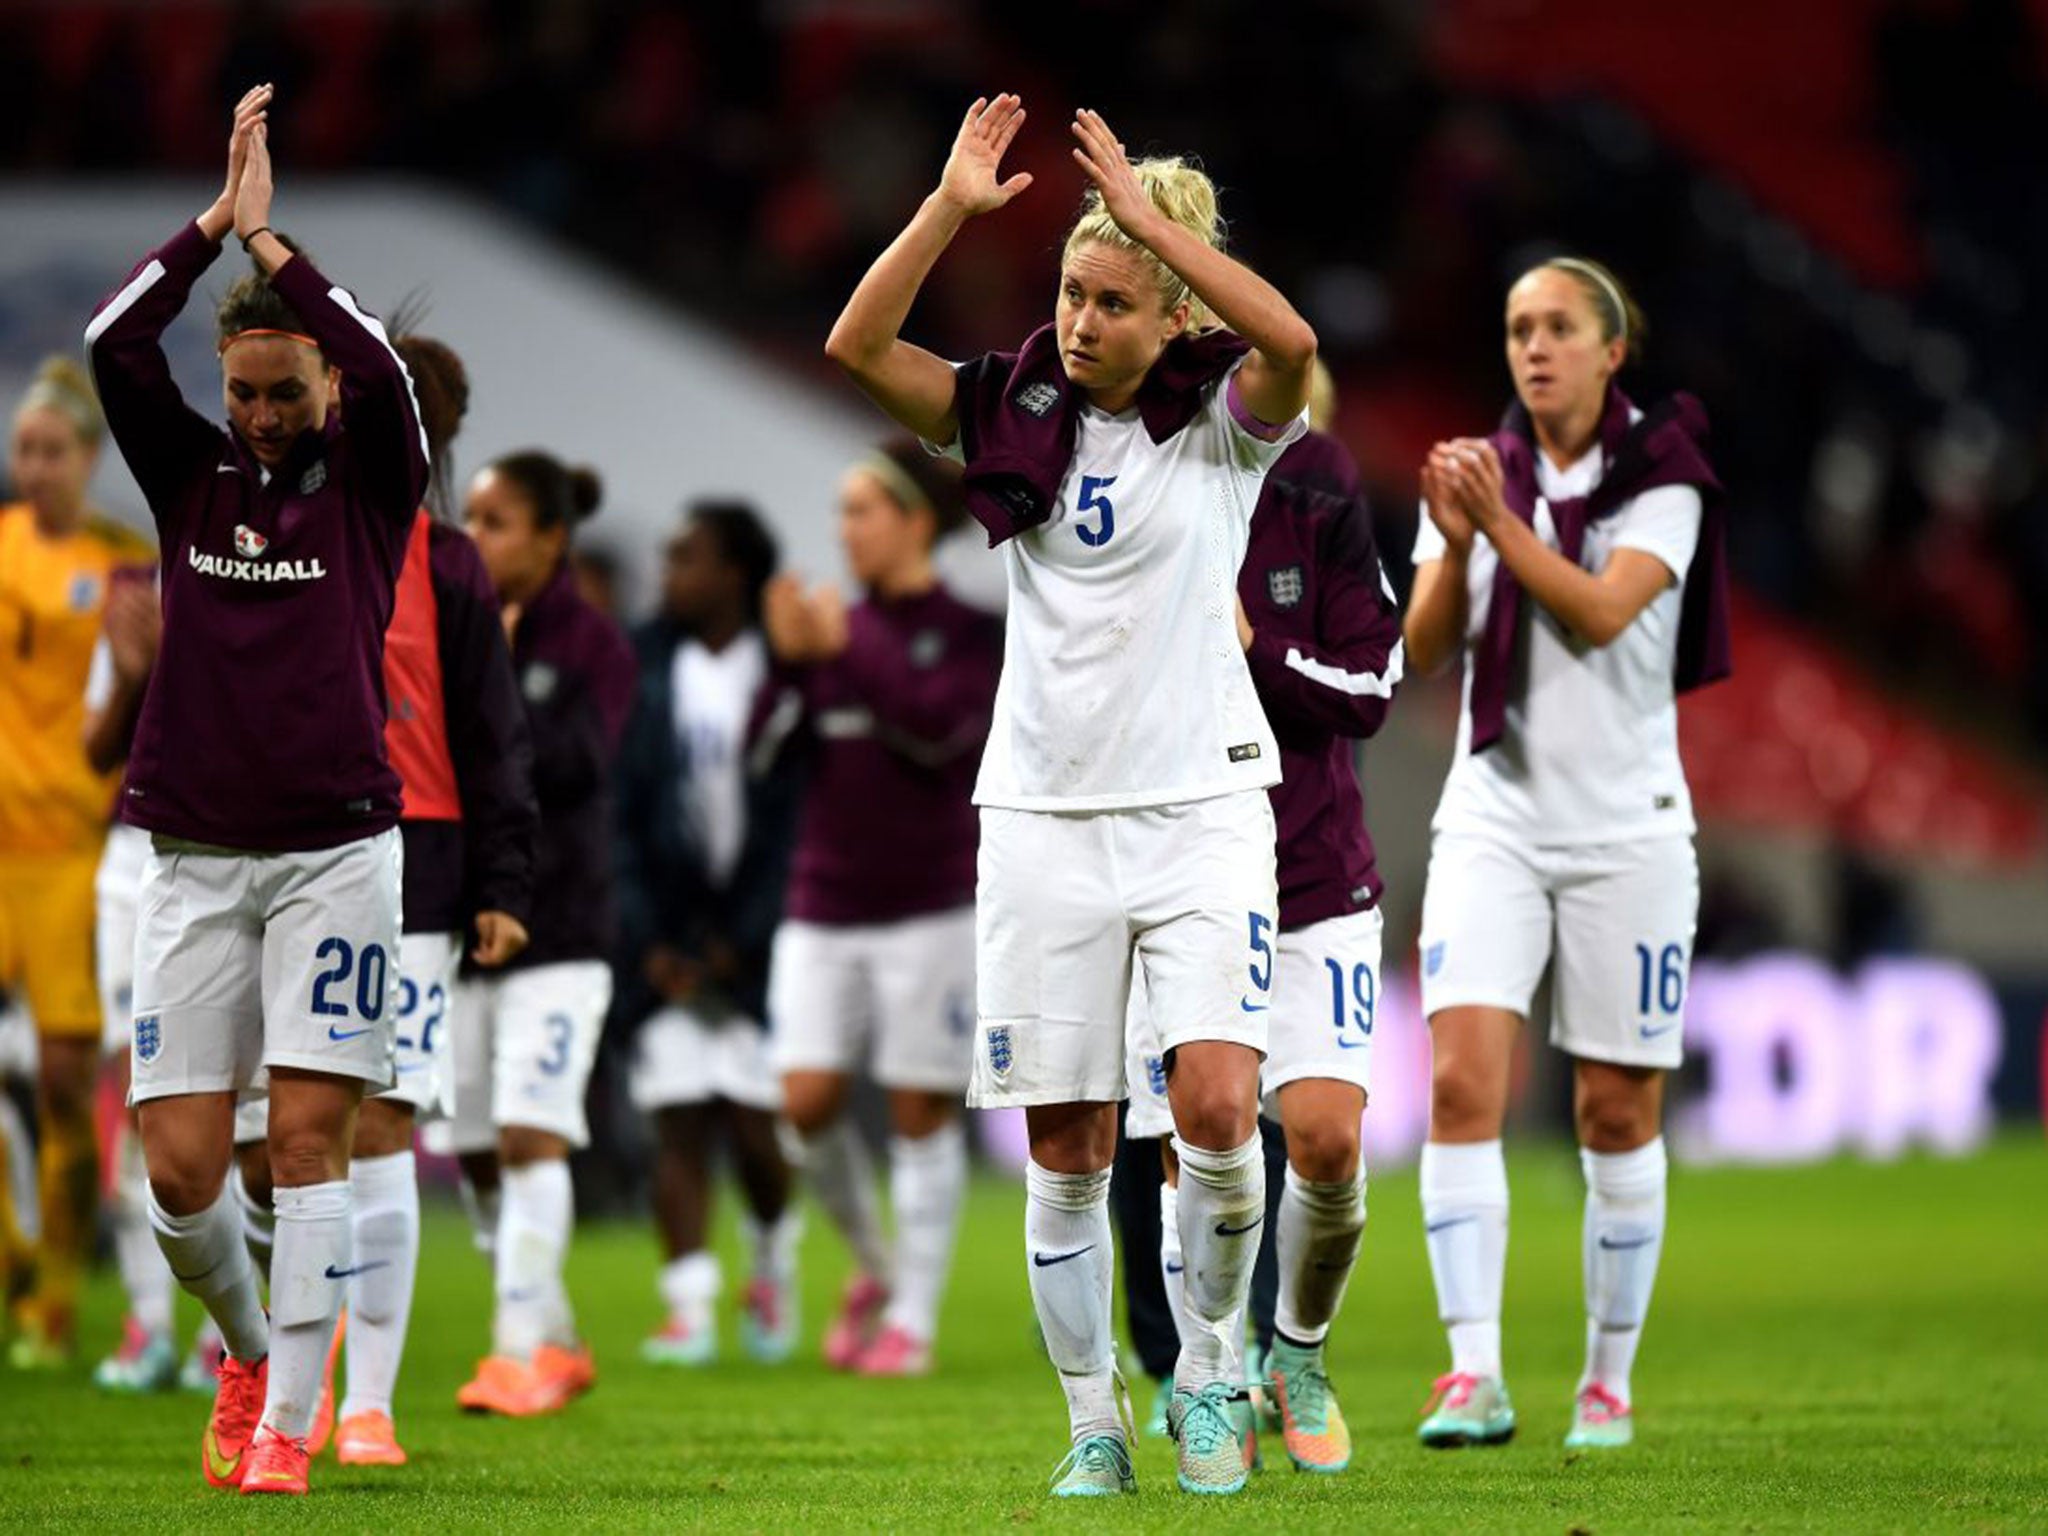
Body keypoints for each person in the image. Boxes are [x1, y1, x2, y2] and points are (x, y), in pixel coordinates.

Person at [825, 97, 1317, 1497]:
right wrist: (946, 211)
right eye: (1071, 293)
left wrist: (1162, 234)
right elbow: (856, 350)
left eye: (1116, 302)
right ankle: (1094, 1416)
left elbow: (1291, 345)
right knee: (1068, 1139)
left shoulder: (1225, 428)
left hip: (1205, 809)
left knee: (1219, 1110)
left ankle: (1211, 1373)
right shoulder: (1005, 409)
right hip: (1041, 817)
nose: (1084, 322)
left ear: (1170, 316)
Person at [84, 84, 431, 1496]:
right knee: (178, 1170)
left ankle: (291, 1424)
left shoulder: (373, 479)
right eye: (247, 392)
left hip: (337, 854)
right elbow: (114, 346)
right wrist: (211, 230)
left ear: (329, 389)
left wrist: (280, 256)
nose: (268, 413)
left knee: (302, 1142)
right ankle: (247, 1355)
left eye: (290, 390)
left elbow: (392, 381)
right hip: (191, 854)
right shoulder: (189, 478)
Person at [1403, 256, 1727, 1452]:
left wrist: (1491, 522)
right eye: (1514, 329)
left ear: (1609, 351)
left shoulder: (1665, 477)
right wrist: (1449, 536)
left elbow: (1598, 614)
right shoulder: (1471, 476)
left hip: (1627, 831)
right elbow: (1426, 649)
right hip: (1493, 813)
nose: (1531, 348)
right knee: (1455, 1088)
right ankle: (1471, 1374)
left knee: (1611, 1113)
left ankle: (1604, 1381)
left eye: (1554, 328)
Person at [222, 332, 541, 1461]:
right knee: (270, 1144)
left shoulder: (447, 562)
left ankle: (366, 1407)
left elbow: (494, 733)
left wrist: (504, 881)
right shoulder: (264, 534)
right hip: (280, 855)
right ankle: (264, 1359)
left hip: (423, 859)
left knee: (382, 1122)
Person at [1121, 361, 1404, 1475]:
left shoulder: (1320, 495)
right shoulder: (1144, 487)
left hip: (1310, 872)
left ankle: (1297, 1351)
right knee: (1194, 1149)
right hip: (1177, 874)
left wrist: (1253, 650)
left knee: (1326, 1142)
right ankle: (1209, 1371)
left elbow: (1370, 693)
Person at [755, 438, 1001, 1376]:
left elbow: (941, 734)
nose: (843, 530)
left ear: (911, 521)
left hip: (931, 903)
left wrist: (841, 649)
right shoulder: (829, 635)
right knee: (803, 1103)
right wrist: (785, 668)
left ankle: (914, 1326)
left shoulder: (968, 633)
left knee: (918, 1110)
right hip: (823, 903)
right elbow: (764, 756)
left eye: (861, 510)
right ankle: (878, 1266)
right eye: (840, 512)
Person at [451, 448, 633, 1417]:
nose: (474, 540)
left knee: (530, 1135)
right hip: (464, 925)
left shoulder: (593, 644)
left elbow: (578, 763)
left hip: (561, 929)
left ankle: (517, 1348)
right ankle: (553, 1332)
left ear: (550, 539)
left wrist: (497, 686)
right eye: (471, 519)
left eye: (495, 522)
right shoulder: (454, 632)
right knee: (477, 1148)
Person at [616, 500, 801, 1366]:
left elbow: (799, 817)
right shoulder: (645, 661)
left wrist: (747, 935)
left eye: (687, 557)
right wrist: (650, 936)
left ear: (734, 572)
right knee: (678, 1116)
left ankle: (771, 1257)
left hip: (760, 940)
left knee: (754, 1125)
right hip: (670, 934)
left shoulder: (786, 663)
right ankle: (687, 1303)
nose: (670, 574)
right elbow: (626, 809)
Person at [0, 354, 153, 1369]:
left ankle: (52, 1297)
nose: (36, 468)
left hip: (68, 851)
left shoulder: (129, 564)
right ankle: (17, 1256)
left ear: (91, 458)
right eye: (23, 450)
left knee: (61, 1085)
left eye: (54, 450)